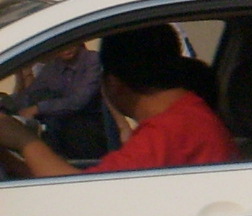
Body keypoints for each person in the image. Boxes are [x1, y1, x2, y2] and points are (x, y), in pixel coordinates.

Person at [0, 24, 235, 178]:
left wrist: (24, 141)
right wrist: (12, 162)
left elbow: (83, 193)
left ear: (113, 83)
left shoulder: (169, 131)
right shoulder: (186, 116)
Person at [0, 40, 104, 160]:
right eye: (61, 43)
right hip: (64, 129)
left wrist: (38, 108)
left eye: (69, 41)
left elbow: (78, 101)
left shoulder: (92, 60)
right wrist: (8, 107)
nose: (66, 48)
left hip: (92, 127)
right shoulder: (53, 66)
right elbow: (30, 94)